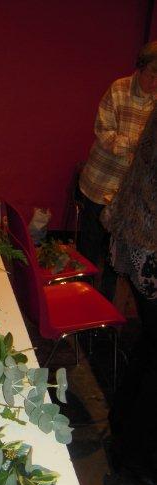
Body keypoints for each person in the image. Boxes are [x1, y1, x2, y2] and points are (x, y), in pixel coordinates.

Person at [103, 106, 157, 485]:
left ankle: (123, 430)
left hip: (141, 243)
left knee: (151, 346)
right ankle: (138, 455)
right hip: (151, 249)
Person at [77, 41, 157, 300]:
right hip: (100, 183)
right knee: (89, 246)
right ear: (141, 67)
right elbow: (104, 132)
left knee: (115, 254)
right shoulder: (119, 89)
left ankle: (104, 303)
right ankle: (82, 295)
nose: (155, 82)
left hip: (129, 193)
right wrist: (138, 144)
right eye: (153, 74)